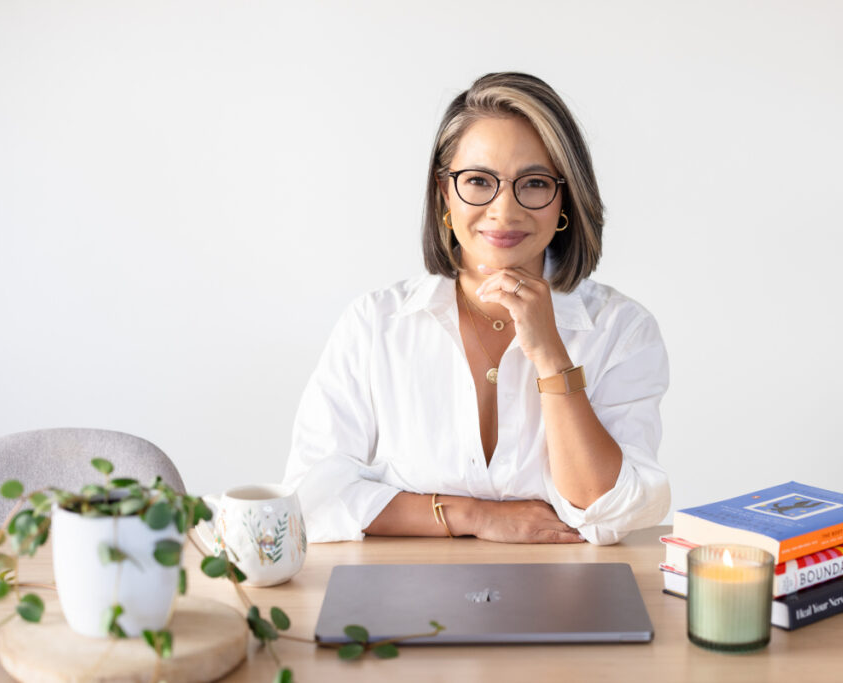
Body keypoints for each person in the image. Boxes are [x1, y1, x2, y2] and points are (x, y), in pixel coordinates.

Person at [283, 72, 670, 545]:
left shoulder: (622, 330)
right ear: (444, 192)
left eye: (533, 183)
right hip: (408, 595)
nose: (504, 211)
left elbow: (610, 508)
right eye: (479, 181)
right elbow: (309, 496)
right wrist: (473, 516)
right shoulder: (375, 324)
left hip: (564, 594)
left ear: (564, 197)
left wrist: (551, 355)